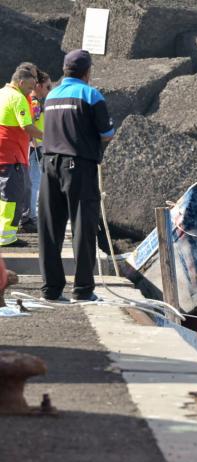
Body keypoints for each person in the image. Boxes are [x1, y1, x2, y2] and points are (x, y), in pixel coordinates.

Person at [39, 50, 114, 301]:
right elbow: (106, 133)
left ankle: (51, 289)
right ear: (87, 71)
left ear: (64, 69)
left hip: (49, 164)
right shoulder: (90, 94)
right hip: (78, 166)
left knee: (50, 228)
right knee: (83, 226)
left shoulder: (51, 96)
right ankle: (83, 289)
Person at [0, 67, 42, 247]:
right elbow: (27, 127)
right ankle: (7, 237)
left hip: (4, 153)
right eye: (29, 87)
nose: (31, 92)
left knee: (3, 195)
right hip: (12, 155)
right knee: (12, 196)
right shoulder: (17, 98)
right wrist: (50, 137)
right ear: (21, 82)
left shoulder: (2, 93)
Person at [23, 69, 50, 230]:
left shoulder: (33, 102)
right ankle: (31, 217)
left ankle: (31, 215)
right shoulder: (35, 103)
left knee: (34, 183)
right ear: (38, 86)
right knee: (34, 183)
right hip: (34, 148)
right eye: (47, 87)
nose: (49, 91)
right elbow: (30, 125)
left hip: (36, 146)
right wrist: (34, 144)